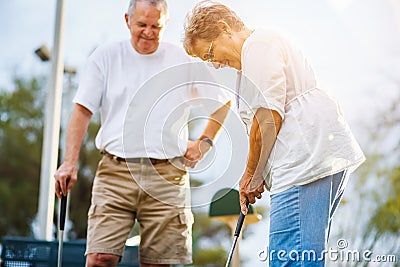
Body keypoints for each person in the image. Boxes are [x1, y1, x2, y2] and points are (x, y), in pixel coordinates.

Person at [183, 1, 365, 266]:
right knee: (298, 258)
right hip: (306, 161)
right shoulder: (247, 65)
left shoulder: (259, 44)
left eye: (210, 54)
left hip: (303, 161)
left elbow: (267, 119)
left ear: (224, 28)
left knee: (290, 260)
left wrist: (250, 175)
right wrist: (256, 174)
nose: (216, 64)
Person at [54, 0, 230, 266]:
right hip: (115, 173)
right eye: (141, 25)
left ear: (165, 24)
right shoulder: (106, 56)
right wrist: (69, 163)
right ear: (127, 20)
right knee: (100, 258)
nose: (148, 32)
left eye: (155, 26)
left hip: (167, 175)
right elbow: (82, 111)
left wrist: (204, 143)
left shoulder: (182, 59)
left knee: (158, 263)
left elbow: (221, 102)